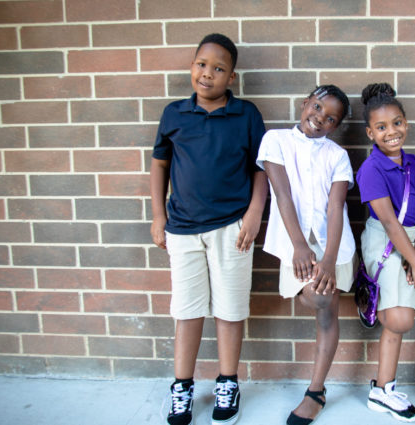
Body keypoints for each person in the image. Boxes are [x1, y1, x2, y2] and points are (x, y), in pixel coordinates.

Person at [150, 33, 267, 425]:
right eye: (202, 64)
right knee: (187, 311)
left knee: (230, 311)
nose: (208, 74)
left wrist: (254, 214)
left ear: (231, 78)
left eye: (219, 69)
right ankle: (182, 386)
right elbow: (160, 165)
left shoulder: (247, 115)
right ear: (192, 66)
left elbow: (260, 168)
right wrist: (157, 216)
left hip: (233, 229)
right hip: (182, 229)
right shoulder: (174, 114)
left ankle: (228, 381)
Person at [256, 85, 355, 425]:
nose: (320, 118)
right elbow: (282, 194)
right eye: (316, 107)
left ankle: (316, 391)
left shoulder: (337, 155)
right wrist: (300, 246)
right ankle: (316, 389)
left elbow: (336, 206)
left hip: (334, 245)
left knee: (327, 312)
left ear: (336, 126)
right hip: (294, 242)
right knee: (313, 298)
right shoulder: (275, 141)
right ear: (304, 103)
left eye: (331, 118)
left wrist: (328, 259)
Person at [355, 83, 415, 423]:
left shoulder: (414, 163)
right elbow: (387, 221)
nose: (391, 132)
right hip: (385, 241)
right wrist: (412, 260)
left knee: (396, 321)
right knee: (399, 319)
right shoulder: (370, 169)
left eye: (397, 123)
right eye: (382, 127)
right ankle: (383, 387)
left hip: (412, 240)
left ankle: (383, 390)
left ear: (406, 123)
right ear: (370, 132)